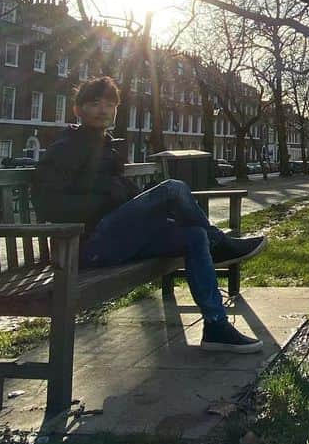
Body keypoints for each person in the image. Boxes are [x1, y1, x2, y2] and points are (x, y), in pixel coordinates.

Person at [32, 76, 266, 353]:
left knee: (194, 236)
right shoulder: (66, 147)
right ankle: (221, 244)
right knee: (174, 189)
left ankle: (216, 326)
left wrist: (132, 199)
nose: (103, 110)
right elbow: (46, 204)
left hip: (119, 240)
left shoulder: (106, 147)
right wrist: (106, 196)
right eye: (95, 103)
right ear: (77, 110)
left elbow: (117, 195)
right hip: (85, 247)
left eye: (110, 104)